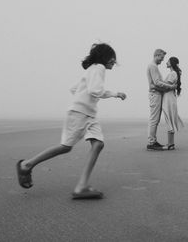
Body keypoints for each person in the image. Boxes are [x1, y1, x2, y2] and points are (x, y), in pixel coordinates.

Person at [16, 43, 127, 199]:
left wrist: (83, 98)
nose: (114, 63)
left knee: (98, 144)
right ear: (107, 58)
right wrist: (115, 93)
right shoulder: (99, 68)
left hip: (88, 113)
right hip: (81, 113)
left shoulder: (91, 69)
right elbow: (95, 90)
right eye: (113, 59)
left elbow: (74, 88)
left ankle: (82, 186)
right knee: (65, 147)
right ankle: (26, 165)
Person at [146, 49, 177, 150]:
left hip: (156, 94)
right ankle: (151, 142)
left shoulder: (153, 66)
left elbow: (155, 83)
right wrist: (170, 87)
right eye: (161, 58)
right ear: (157, 55)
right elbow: (157, 82)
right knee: (154, 120)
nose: (162, 60)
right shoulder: (153, 66)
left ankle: (153, 141)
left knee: (155, 119)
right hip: (155, 95)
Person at [162, 57, 184, 150]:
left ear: (171, 63)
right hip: (170, 98)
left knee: (169, 118)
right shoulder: (174, 73)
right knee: (169, 118)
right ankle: (171, 143)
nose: (166, 62)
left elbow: (167, 87)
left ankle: (170, 144)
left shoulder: (172, 73)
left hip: (168, 98)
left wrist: (157, 87)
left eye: (168, 61)